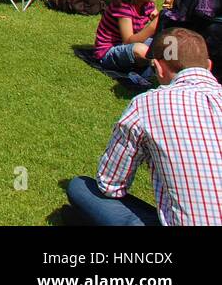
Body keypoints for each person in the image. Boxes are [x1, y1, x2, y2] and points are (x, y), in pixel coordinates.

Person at [66, 28, 222, 226]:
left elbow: (111, 184)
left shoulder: (147, 105)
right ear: (208, 66)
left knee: (80, 187)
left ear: (158, 68)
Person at [93, 0, 160, 77]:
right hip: (110, 51)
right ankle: (148, 71)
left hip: (133, 45)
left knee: (171, 41)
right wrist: (153, 26)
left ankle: (168, 74)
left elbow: (160, 27)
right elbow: (128, 41)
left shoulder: (147, 3)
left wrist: (170, 11)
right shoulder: (122, 6)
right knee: (142, 51)